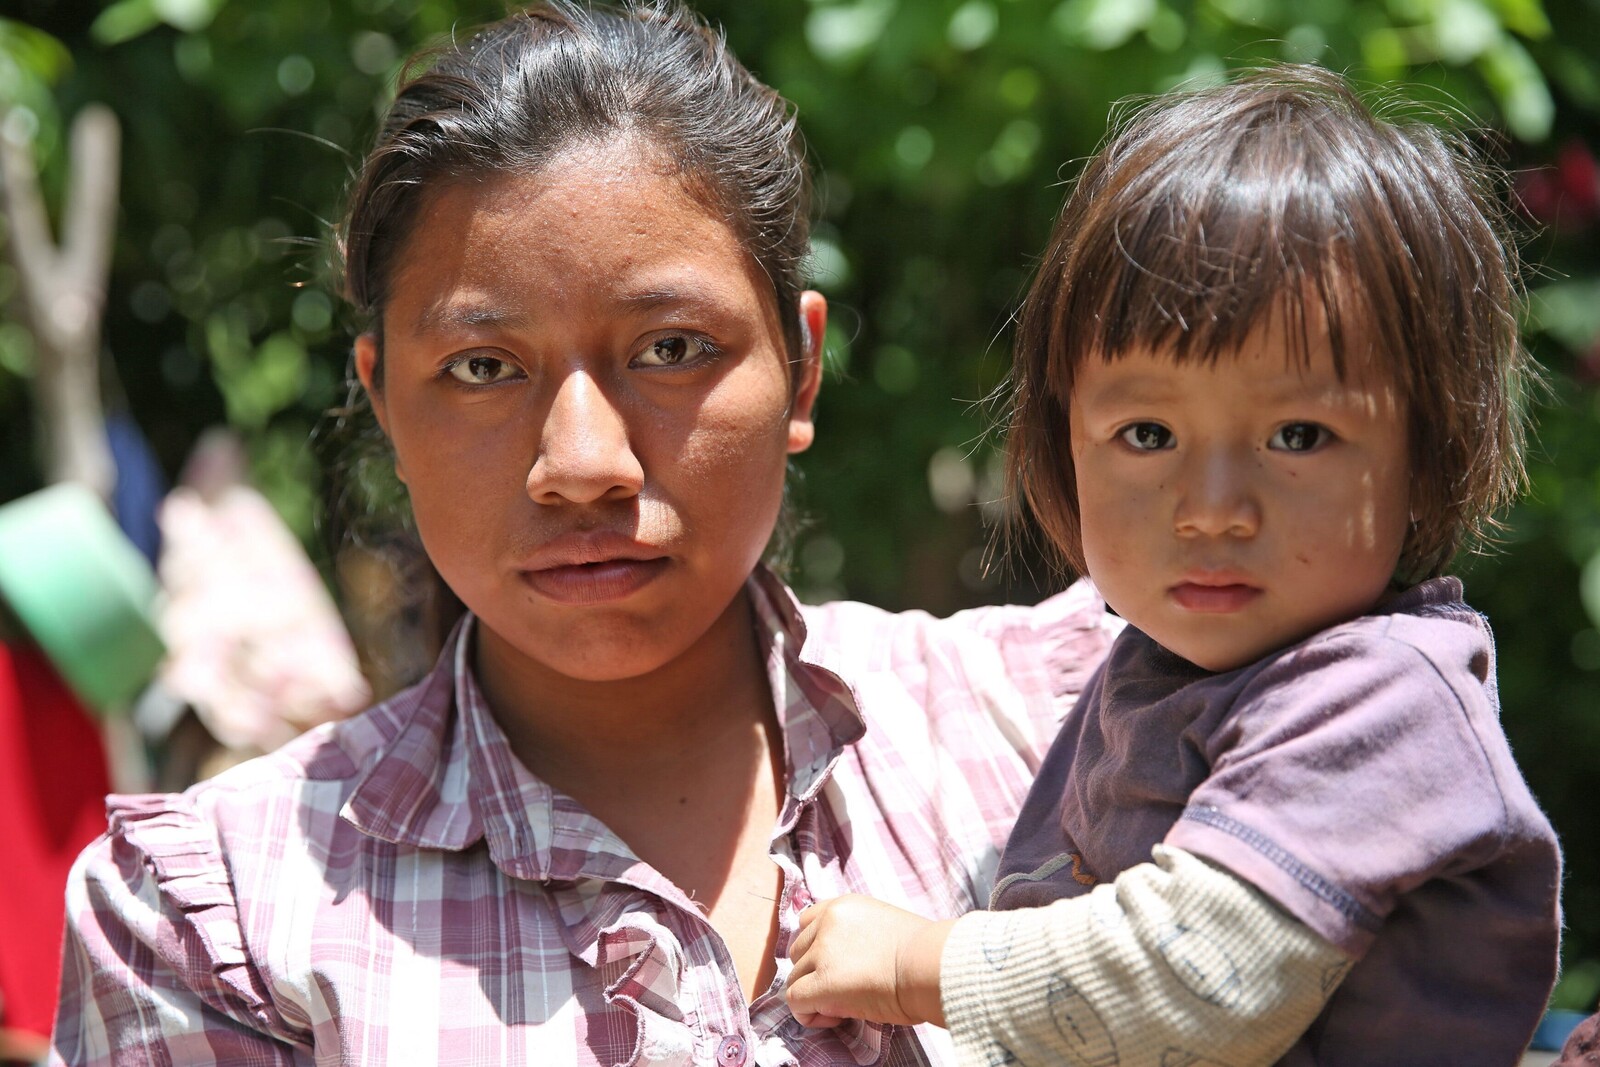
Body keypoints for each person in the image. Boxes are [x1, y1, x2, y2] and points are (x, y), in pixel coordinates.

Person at [49, 3, 1119, 1065]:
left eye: (670, 348)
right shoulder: (215, 921)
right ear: (385, 402)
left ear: (799, 367)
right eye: (482, 367)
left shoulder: (1078, 731)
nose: (581, 463)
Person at [785, 66, 1562, 1066]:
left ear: (1427, 453)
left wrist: (917, 965)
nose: (1211, 509)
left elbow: (1197, 978)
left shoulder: (1380, 700)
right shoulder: (1148, 668)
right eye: (1147, 432)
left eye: (1297, 434)